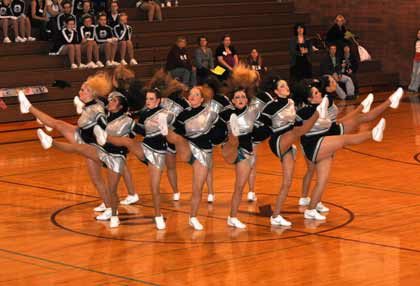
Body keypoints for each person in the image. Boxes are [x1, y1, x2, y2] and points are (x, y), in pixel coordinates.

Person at [17, 72, 114, 226]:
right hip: (82, 136)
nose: (80, 91)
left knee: (94, 174)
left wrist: (102, 130)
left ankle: (110, 209)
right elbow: (101, 102)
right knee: (59, 124)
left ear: (92, 93)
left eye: (84, 90)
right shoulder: (94, 103)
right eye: (81, 88)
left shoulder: (96, 110)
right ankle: (29, 108)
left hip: (96, 148)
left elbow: (102, 120)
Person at [298, 76, 404, 212]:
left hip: (326, 134)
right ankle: (372, 133)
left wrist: (359, 109)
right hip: (318, 140)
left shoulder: (322, 102)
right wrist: (359, 108)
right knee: (345, 139)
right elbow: (334, 122)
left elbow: (334, 122)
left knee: (322, 179)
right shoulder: (321, 104)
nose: (335, 83)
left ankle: (312, 206)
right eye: (332, 82)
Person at [37, 91, 140, 228]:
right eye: (110, 100)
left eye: (114, 101)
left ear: (121, 107)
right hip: (99, 149)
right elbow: (98, 103)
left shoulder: (126, 121)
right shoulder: (106, 113)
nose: (110, 102)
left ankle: (115, 211)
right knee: (94, 175)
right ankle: (109, 206)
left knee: (110, 186)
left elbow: (134, 137)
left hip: (114, 156)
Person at [93, 88, 171, 230]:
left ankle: (158, 216)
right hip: (145, 149)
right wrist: (130, 126)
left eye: (151, 99)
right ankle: (114, 216)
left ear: (158, 100)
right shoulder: (145, 113)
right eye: (147, 99)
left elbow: (170, 126)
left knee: (154, 188)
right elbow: (138, 132)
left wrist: (163, 126)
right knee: (126, 141)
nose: (148, 101)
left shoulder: (164, 113)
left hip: (158, 154)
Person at [166, 86, 223, 230]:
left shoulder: (210, 113)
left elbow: (220, 131)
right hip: (188, 148)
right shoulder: (183, 115)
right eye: (190, 94)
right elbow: (177, 131)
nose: (192, 97)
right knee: (173, 135)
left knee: (197, 188)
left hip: (204, 152)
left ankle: (193, 217)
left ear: (202, 99)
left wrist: (212, 139)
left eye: (196, 95)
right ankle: (162, 128)